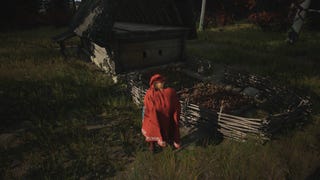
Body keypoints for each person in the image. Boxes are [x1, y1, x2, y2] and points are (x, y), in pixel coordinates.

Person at [141, 74, 181, 152]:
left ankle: (168, 141)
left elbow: (175, 102)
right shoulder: (150, 94)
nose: (162, 84)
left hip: (166, 116)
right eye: (160, 82)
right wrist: (153, 111)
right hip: (153, 117)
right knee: (152, 129)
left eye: (163, 82)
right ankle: (152, 145)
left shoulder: (169, 91)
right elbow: (148, 105)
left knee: (167, 129)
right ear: (154, 84)